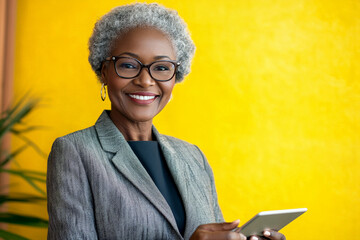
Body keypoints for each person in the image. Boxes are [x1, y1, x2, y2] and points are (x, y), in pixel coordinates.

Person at [47, 3, 286, 240]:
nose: (146, 80)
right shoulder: (74, 152)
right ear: (104, 71)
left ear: (175, 78)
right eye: (129, 65)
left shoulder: (193, 157)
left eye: (161, 68)